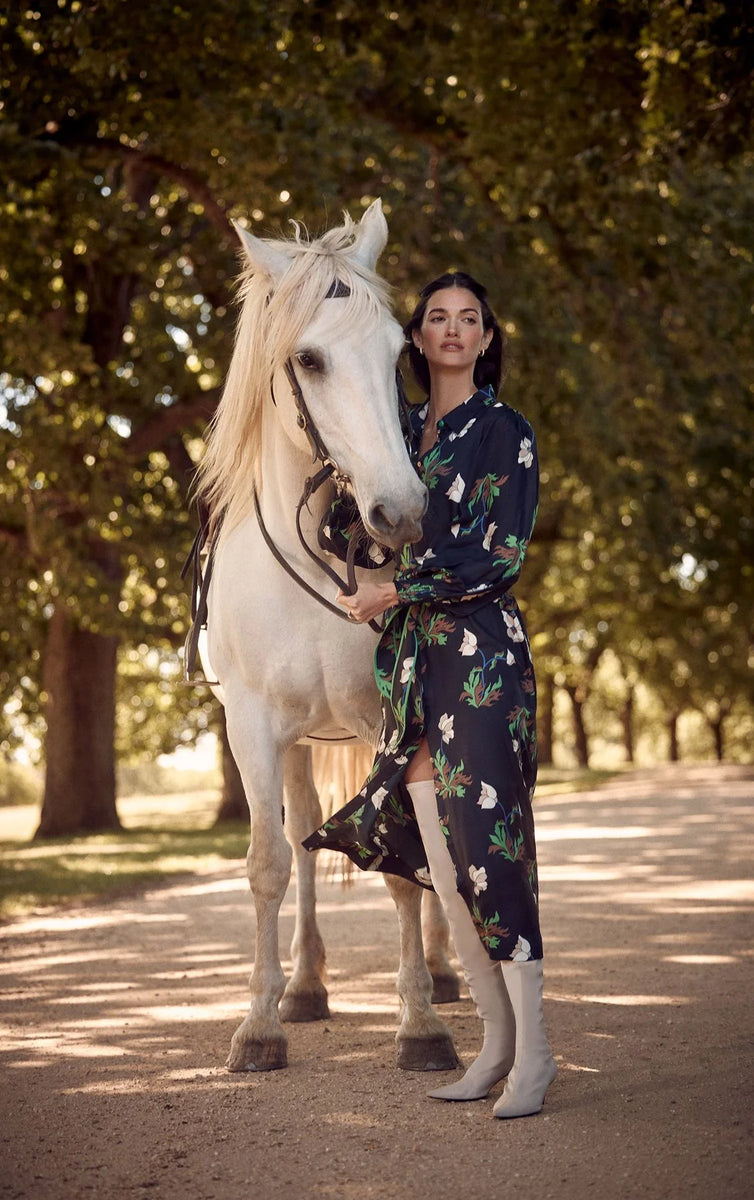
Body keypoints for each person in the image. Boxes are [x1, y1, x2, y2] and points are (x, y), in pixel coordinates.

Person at [303, 272, 556, 1119]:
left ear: (487, 340)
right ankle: (493, 1045)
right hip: (414, 673)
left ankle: (538, 1055)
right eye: (437, 318)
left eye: (469, 319)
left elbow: (499, 556)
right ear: (415, 340)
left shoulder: (505, 432)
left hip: (482, 660)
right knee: (445, 869)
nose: (452, 330)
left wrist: (393, 594)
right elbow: (360, 522)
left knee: (493, 850)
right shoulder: (400, 434)